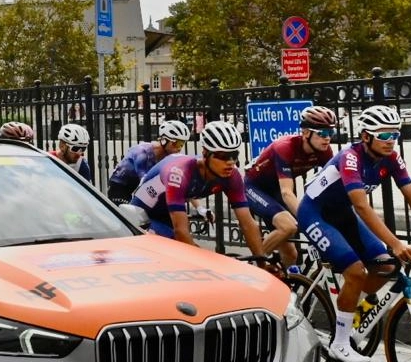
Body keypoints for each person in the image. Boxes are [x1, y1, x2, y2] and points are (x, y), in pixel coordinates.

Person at [297, 105, 411, 362]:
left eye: (395, 135)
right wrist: (396, 243)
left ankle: (349, 307)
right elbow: (362, 207)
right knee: (356, 272)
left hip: (342, 214)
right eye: (385, 136)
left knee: (387, 267)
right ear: (366, 136)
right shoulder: (350, 158)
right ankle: (340, 343)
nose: (391, 142)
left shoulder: (391, 158)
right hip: (315, 213)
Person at [129, 121, 266, 256]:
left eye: (234, 156)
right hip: (143, 217)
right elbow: (181, 231)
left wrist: (262, 262)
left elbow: (248, 223)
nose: (230, 162)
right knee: (191, 254)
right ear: (205, 153)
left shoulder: (232, 176)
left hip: (169, 216)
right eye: (223, 156)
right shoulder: (179, 172)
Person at [243, 105, 338, 270]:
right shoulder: (285, 147)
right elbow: (287, 192)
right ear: (306, 133)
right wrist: (310, 219)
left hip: (276, 191)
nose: (327, 138)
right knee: (288, 226)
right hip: (256, 188)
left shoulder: (324, 151)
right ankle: (251, 267)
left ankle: (287, 290)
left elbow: (332, 187)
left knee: (291, 255)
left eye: (331, 133)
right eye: (322, 133)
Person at [106, 119, 190, 203]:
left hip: (133, 187)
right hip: (118, 186)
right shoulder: (142, 152)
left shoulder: (167, 155)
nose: (179, 148)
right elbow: (145, 181)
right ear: (164, 140)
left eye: (182, 144)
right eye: (177, 144)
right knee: (126, 215)